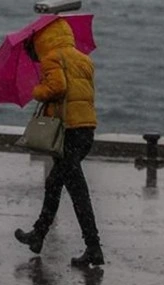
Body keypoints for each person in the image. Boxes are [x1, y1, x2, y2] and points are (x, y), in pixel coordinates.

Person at [14, 17, 104, 267]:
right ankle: (39, 235)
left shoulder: (52, 58)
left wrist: (37, 91)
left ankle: (93, 247)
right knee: (57, 183)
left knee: (75, 190)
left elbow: (58, 87)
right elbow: (81, 92)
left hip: (68, 132)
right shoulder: (83, 59)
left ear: (44, 39)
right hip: (85, 129)